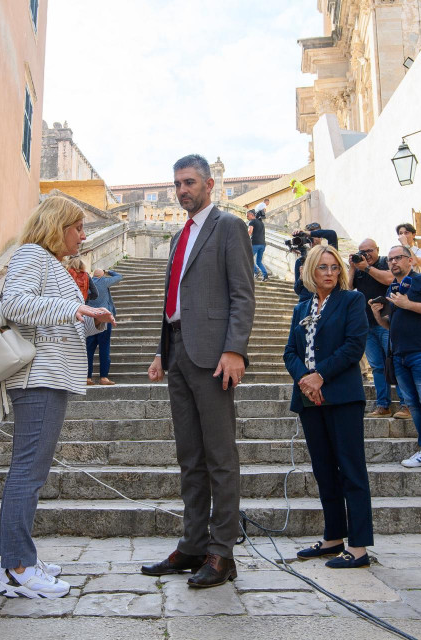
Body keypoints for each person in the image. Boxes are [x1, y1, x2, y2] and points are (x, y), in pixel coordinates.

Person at [0, 196, 115, 600]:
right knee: (28, 473)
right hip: (38, 378)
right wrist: (75, 309)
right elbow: (15, 305)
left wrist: (91, 321)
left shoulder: (51, 264)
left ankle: (16, 558)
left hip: (50, 375)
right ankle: (18, 568)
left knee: (31, 472)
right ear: (57, 225)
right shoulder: (32, 254)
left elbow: (59, 322)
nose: (83, 234)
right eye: (78, 226)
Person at [143, 154, 255, 588]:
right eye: (177, 184)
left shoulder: (227, 227)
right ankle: (192, 544)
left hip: (213, 357)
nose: (182, 190)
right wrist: (160, 350)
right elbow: (173, 299)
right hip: (178, 354)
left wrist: (235, 350)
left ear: (209, 184)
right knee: (190, 457)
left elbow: (242, 294)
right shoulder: (177, 237)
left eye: (189, 182)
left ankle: (222, 552)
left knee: (219, 456)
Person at [284, 245, 372, 569]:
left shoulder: (352, 301)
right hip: (310, 399)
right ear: (310, 271)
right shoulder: (300, 308)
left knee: (351, 469)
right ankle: (334, 537)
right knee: (323, 470)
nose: (330, 273)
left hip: (343, 396)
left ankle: (359, 547)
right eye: (323, 267)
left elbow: (354, 345)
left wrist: (321, 376)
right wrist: (306, 379)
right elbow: (289, 353)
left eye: (335, 267)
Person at [369, 246, 421, 472]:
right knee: (414, 404)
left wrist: (408, 304)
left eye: (398, 258)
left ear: (409, 261)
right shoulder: (393, 288)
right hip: (400, 355)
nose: (393, 262)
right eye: (391, 259)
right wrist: (379, 316)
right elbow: (393, 324)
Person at [348, 239, 410, 419]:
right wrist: (353, 267)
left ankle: (406, 405)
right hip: (366, 324)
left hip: (386, 323)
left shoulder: (385, 262)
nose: (366, 254)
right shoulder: (359, 268)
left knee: (395, 362)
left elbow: (389, 279)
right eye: (362, 251)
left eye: (369, 250)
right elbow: (349, 286)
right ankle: (383, 405)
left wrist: (367, 267)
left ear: (377, 249)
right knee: (377, 367)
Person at [86, 267, 123, 385]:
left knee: (89, 349)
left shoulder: (89, 283)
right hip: (104, 318)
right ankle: (103, 377)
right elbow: (119, 277)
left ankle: (87, 377)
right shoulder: (103, 281)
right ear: (102, 275)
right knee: (104, 348)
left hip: (90, 319)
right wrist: (109, 272)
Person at [247, 209, 268, 281]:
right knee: (258, 261)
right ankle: (265, 275)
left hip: (255, 243)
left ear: (252, 215)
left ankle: (256, 271)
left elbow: (250, 231)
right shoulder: (261, 223)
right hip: (263, 244)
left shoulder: (252, 222)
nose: (247, 217)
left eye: (248, 215)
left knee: (248, 257)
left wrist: (245, 238)